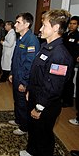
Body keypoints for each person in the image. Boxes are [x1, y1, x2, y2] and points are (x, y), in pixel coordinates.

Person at [20, 9, 73, 156]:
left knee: (43, 135)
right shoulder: (45, 47)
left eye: (44, 25)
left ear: (56, 28)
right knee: (34, 129)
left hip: (46, 104)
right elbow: (37, 74)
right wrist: (30, 91)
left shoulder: (60, 55)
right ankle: (31, 150)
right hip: (36, 96)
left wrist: (39, 107)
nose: (40, 29)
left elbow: (53, 87)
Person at [8, 12, 40, 135]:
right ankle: (18, 120)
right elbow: (16, 59)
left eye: (18, 22)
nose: (15, 25)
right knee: (17, 101)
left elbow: (29, 64)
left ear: (26, 24)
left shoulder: (31, 40)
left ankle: (24, 127)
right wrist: (11, 73)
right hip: (16, 76)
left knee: (23, 103)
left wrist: (24, 82)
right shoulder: (21, 38)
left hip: (23, 79)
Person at [61, 16, 79, 107]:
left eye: (74, 24)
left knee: (68, 82)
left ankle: (68, 101)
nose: (71, 26)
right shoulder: (65, 34)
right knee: (61, 80)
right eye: (70, 24)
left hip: (71, 62)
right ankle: (61, 98)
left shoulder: (77, 36)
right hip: (62, 61)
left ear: (77, 25)